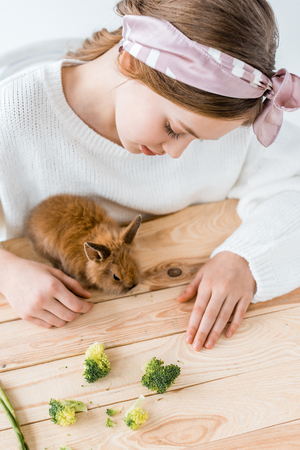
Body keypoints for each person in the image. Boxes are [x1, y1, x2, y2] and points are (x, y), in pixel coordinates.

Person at [0, 0, 299, 351]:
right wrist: (7, 272)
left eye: (197, 140)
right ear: (130, 63)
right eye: (172, 129)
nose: (176, 153)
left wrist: (246, 256)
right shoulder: (13, 117)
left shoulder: (223, 120)